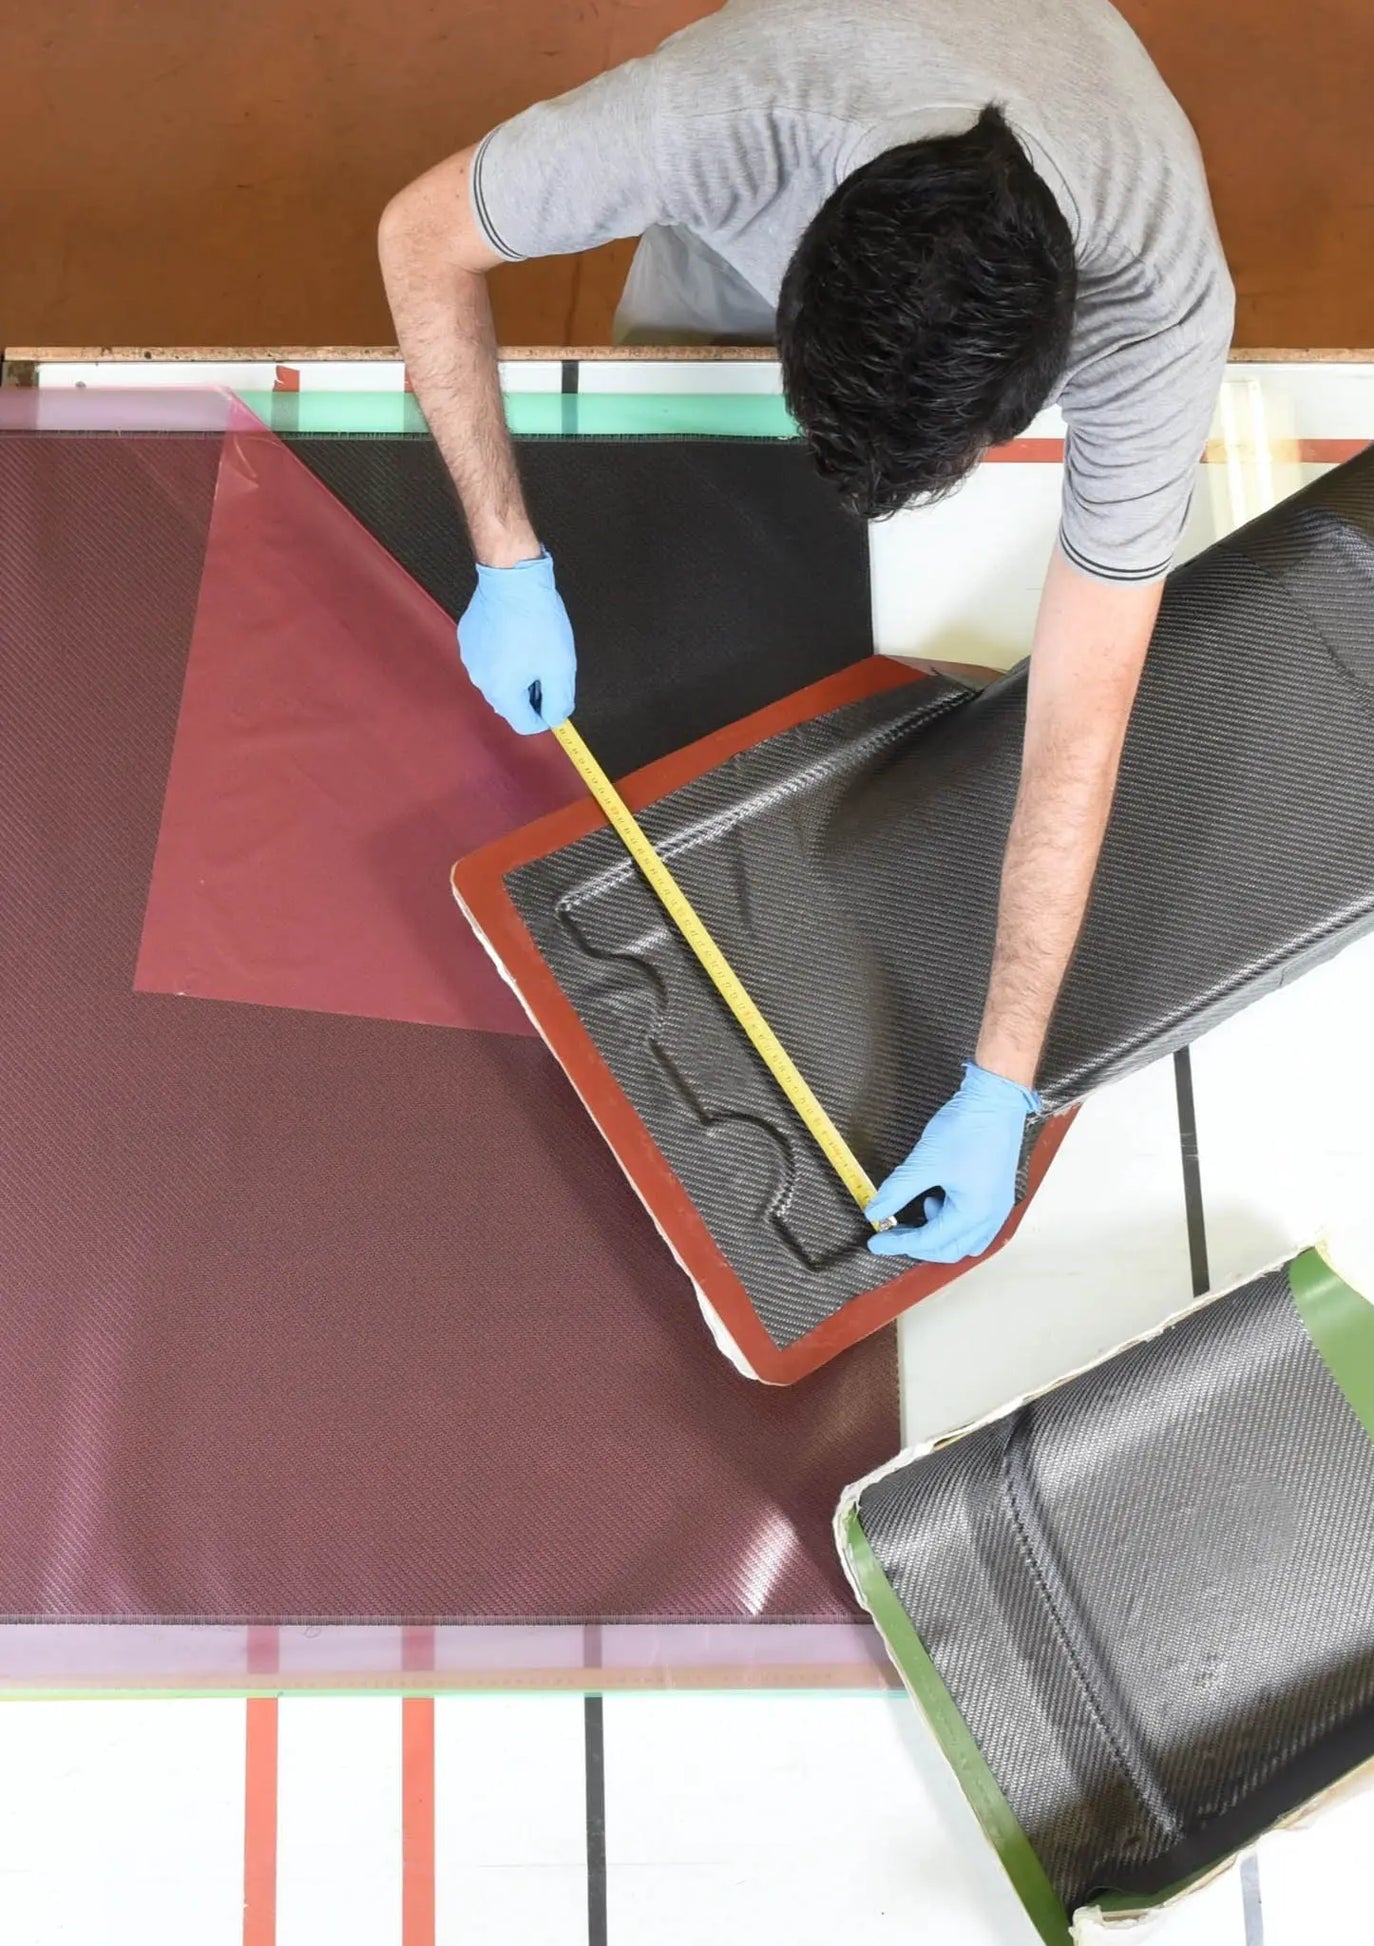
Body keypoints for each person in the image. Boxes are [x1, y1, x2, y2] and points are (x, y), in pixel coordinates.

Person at [378, 0, 1232, 1265]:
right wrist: (505, 550)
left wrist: (1002, 1080)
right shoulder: (726, 117)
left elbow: (1080, 716)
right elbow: (422, 233)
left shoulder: (1155, 308)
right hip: (773, 188)